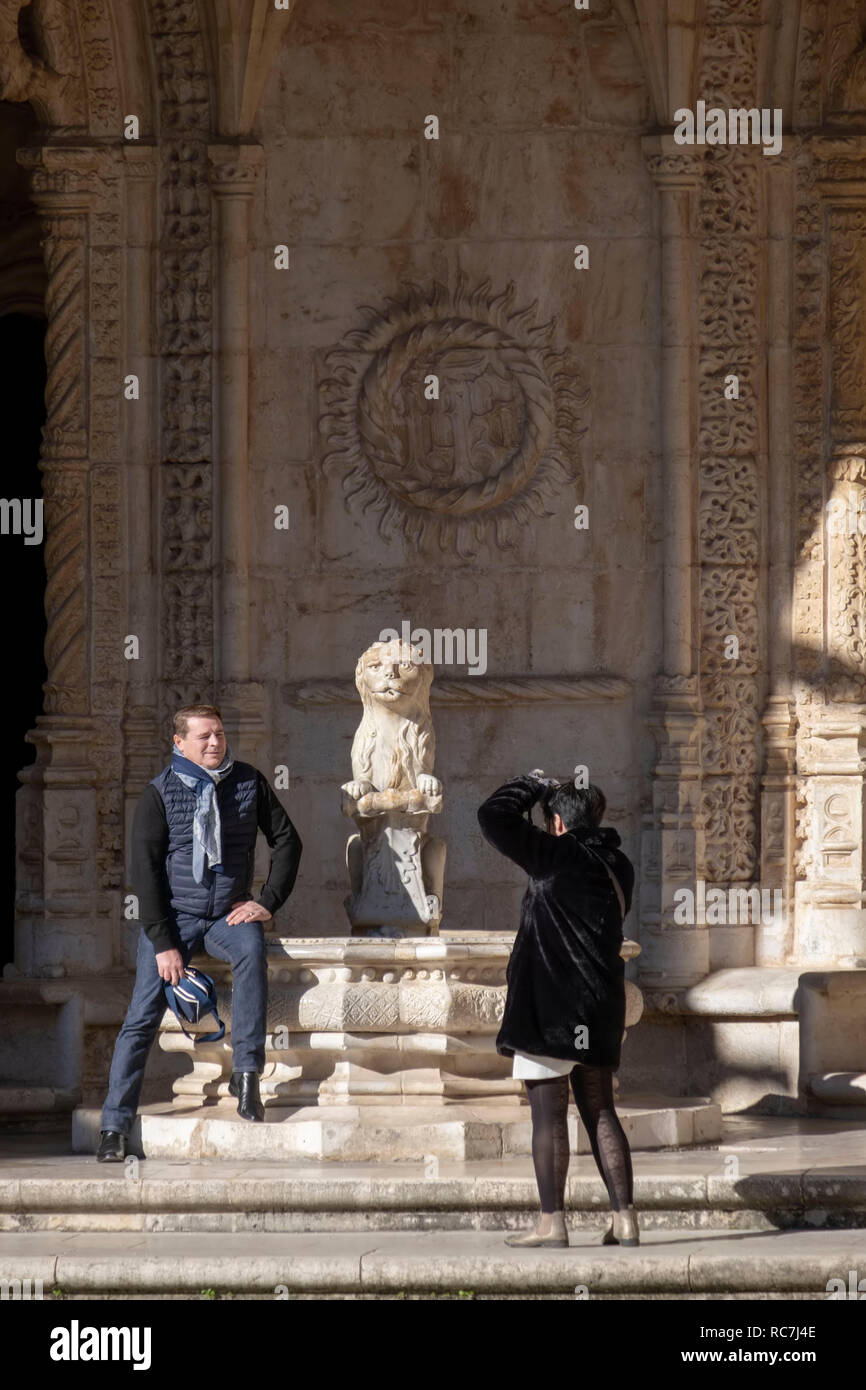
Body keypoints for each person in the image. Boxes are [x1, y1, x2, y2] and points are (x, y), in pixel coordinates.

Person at [97, 704, 302, 1160]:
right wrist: (165, 944)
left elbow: (288, 841)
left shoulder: (249, 781)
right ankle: (114, 1126)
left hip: (227, 916)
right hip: (174, 917)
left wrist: (265, 902)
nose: (215, 743)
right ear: (180, 743)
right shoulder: (159, 792)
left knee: (252, 955)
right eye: (205, 736)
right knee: (139, 1018)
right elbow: (145, 874)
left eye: (220, 735)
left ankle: (247, 1076)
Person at [477, 771, 637, 1248]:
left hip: (550, 1007)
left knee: (549, 1116)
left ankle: (553, 1222)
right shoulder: (618, 865)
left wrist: (530, 783)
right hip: (600, 1005)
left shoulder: (554, 855)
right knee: (601, 1110)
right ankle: (624, 1218)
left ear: (558, 824)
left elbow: (492, 816)